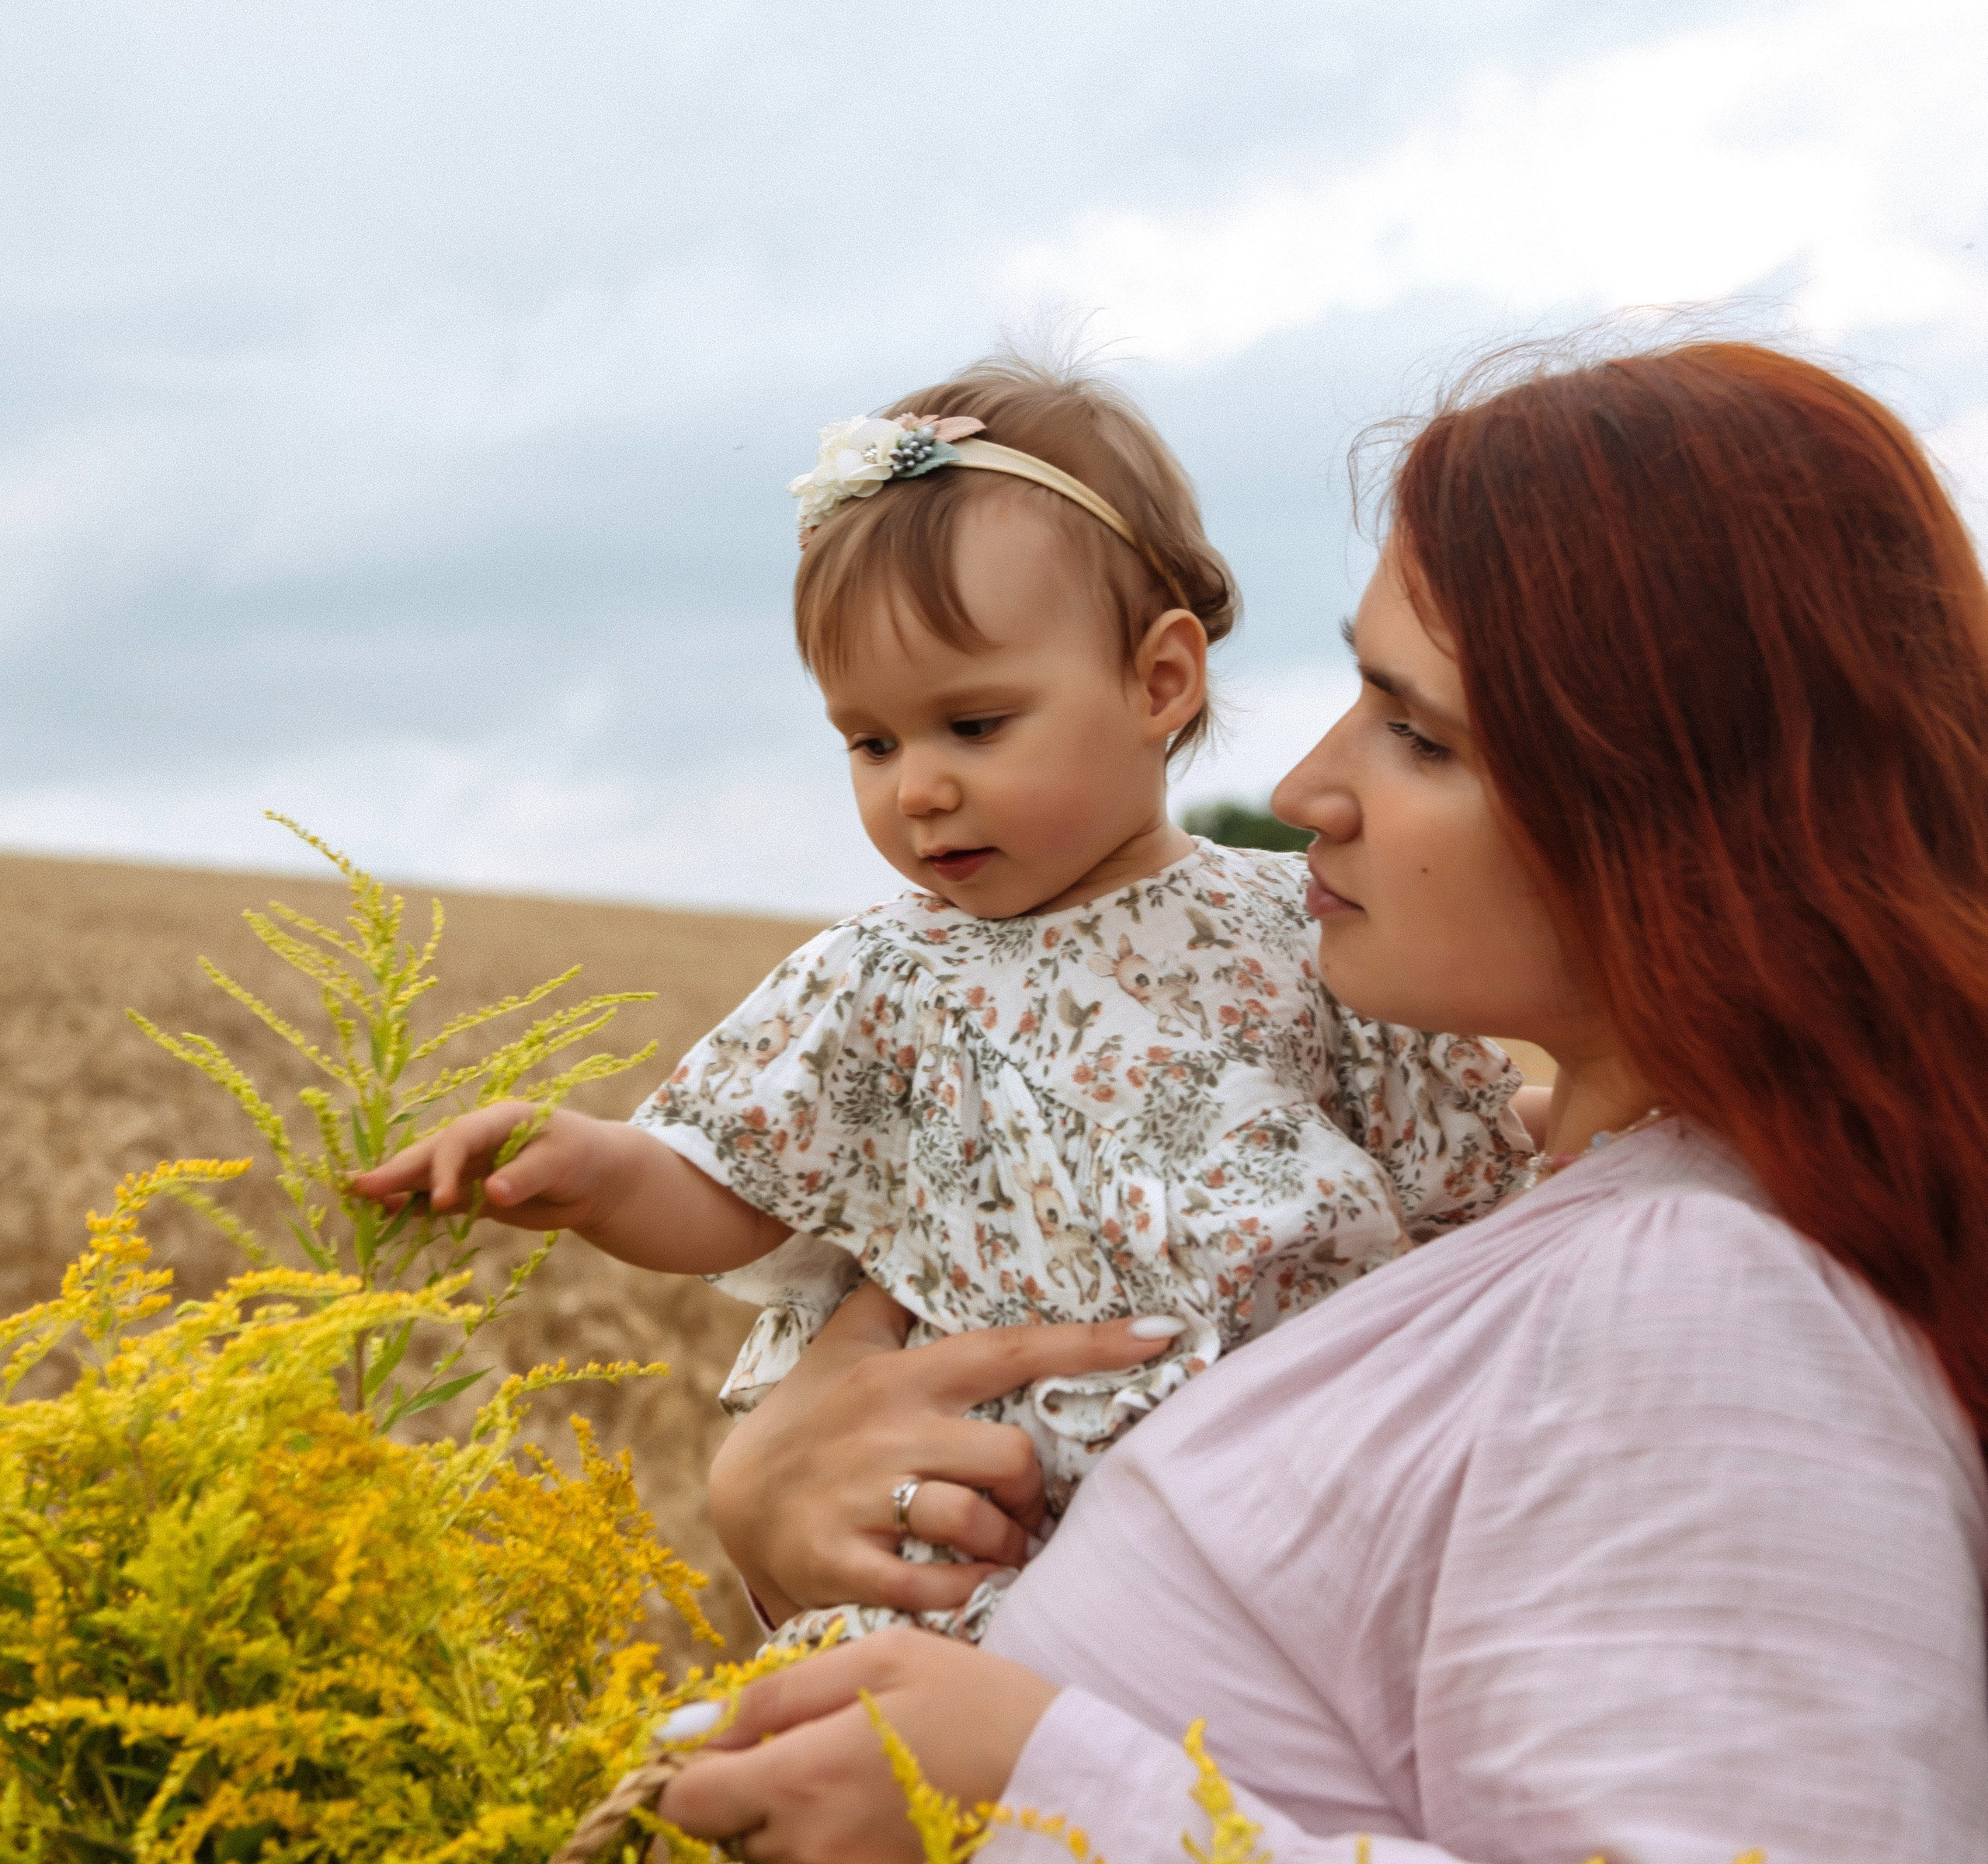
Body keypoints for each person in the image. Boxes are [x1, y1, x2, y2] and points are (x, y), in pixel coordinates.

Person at [666, 343, 1988, 1864]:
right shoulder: (1513, 1234)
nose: (1304, 791)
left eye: (1419, 730)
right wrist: (785, 1512)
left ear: (1684, 811)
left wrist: (1044, 1804)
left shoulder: (1697, 1307)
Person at [353, 358, 1531, 1642]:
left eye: (973, 726)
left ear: (1159, 684)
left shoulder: (1300, 922)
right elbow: (737, 1184)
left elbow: (1464, 1170)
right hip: (995, 1542)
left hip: (1316, 1505)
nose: (916, 788)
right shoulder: (881, 977)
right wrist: (593, 1172)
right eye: (871, 741)